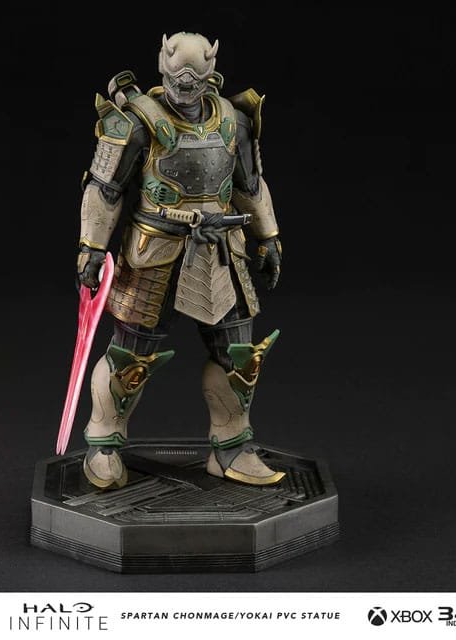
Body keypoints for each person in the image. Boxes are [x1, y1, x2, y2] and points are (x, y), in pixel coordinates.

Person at [76, 32, 283, 489]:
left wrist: (267, 235)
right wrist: (90, 247)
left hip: (221, 251)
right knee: (131, 356)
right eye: (177, 79)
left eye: (194, 80)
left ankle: (231, 447)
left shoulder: (232, 121)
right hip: (155, 253)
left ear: (211, 73)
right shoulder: (135, 122)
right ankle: (104, 445)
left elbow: (250, 185)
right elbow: (104, 189)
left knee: (239, 356)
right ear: (163, 68)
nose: (185, 88)